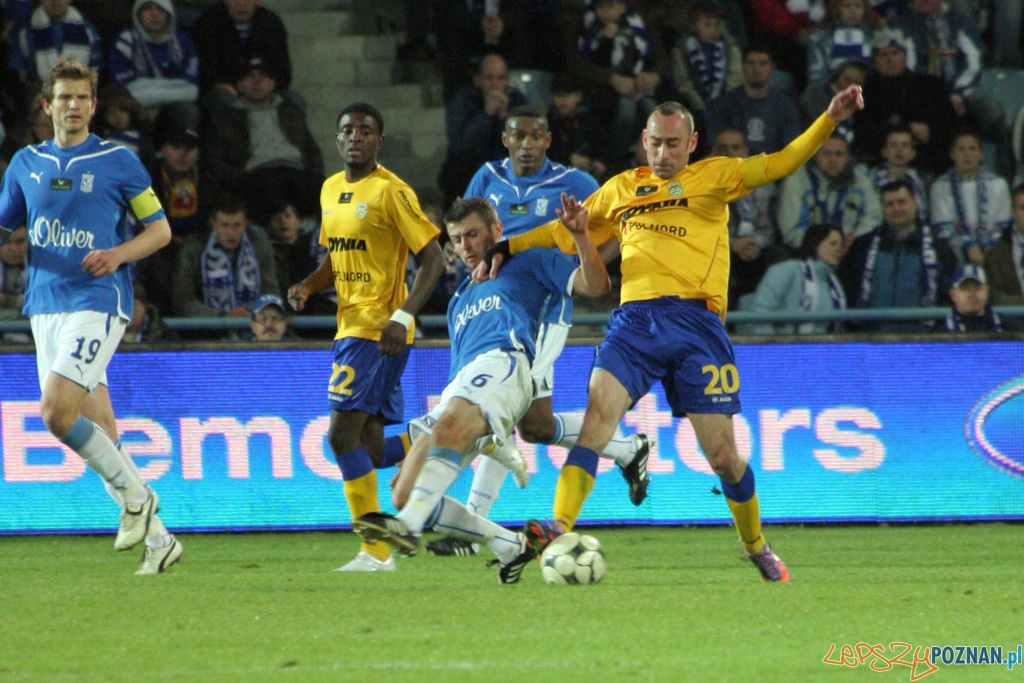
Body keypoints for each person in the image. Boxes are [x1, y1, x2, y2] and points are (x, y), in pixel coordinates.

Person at [480, 87, 867, 582]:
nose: (663, 154)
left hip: (697, 326)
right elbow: (560, 234)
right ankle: (558, 526)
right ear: (644, 140)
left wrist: (828, 119)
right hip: (634, 322)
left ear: (692, 143)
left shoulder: (715, 177)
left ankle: (756, 545)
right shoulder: (621, 189)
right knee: (598, 420)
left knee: (725, 459)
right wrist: (509, 247)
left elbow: (781, 162)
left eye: (673, 144)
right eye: (656, 143)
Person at [426, 106, 652, 558]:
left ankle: (473, 525)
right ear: (505, 139)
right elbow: (467, 228)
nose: (526, 144)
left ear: (548, 140)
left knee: (499, 409)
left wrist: (587, 261)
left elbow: (611, 223)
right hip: (497, 308)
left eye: (535, 136)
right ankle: (629, 449)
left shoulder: (576, 184)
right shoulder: (486, 178)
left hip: (544, 304)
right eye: (518, 136)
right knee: (535, 425)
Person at [352, 194, 612, 583]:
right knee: (404, 491)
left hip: (506, 363)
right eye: (456, 239)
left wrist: (581, 238)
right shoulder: (459, 300)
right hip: (465, 383)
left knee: (419, 489)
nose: (466, 246)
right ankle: (509, 545)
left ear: (497, 230)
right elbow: (462, 370)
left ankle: (407, 526)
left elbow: (596, 284)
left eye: (473, 235)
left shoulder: (530, 262)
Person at [0, 57, 181, 574]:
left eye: (82, 98)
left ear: (94, 106)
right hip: (44, 306)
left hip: (98, 301)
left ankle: (137, 500)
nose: (73, 106)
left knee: (56, 413)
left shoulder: (118, 161)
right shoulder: (24, 164)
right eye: (64, 97)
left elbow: (160, 231)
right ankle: (160, 539)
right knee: (99, 426)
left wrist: (119, 254)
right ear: (46, 105)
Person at [286, 102, 445, 573]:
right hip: (348, 325)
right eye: (347, 130)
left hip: (379, 330)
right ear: (336, 140)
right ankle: (436, 436)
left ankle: (374, 552)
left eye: (366, 130)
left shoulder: (391, 191)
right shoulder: (330, 189)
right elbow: (336, 257)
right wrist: (309, 286)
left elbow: (433, 258)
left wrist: (402, 315)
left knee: (340, 435)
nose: (355, 137)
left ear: (380, 140)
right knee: (371, 450)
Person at [202, 56, 324, 226]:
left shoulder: (290, 111)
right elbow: (215, 157)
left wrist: (315, 173)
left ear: (273, 83)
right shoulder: (226, 116)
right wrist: (236, 179)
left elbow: (311, 149)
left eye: (263, 77)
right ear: (240, 84)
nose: (256, 82)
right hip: (257, 174)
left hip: (296, 171)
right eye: (250, 76)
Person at [839, 179, 958, 333]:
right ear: (882, 208)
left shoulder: (939, 248)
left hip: (922, 341)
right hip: (872, 340)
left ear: (915, 203)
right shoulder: (862, 246)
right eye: (889, 204)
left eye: (902, 202)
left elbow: (949, 295)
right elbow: (848, 292)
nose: (896, 208)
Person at [853, 27, 956, 175]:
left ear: (906, 57)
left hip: (932, 164)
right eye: (883, 55)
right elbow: (864, 138)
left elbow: (950, 126)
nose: (890, 59)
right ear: (874, 62)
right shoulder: (865, 94)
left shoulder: (932, 86)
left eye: (895, 53)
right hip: (884, 168)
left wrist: (930, 132)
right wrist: (907, 128)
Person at [438, 53, 526, 210]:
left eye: (500, 78)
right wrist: (486, 115)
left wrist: (504, 120)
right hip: (469, 179)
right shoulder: (462, 101)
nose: (495, 84)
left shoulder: (518, 102)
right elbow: (459, 146)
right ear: (477, 79)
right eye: (489, 78)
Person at [172, 193, 281, 319]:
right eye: (224, 225)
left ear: (245, 224)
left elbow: (272, 293)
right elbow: (183, 301)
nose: (230, 233)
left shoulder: (260, 247)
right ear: (214, 224)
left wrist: (254, 313)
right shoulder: (193, 249)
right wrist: (223, 317)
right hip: (206, 331)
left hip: (255, 324)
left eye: (236, 225)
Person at [711, 127, 782, 308]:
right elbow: (701, 230)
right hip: (720, 248)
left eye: (735, 148)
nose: (729, 154)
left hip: (756, 248)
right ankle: (722, 322)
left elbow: (769, 228)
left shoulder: (762, 180)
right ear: (714, 152)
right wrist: (733, 243)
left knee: (779, 256)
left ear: (745, 151)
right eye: (723, 148)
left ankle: (766, 320)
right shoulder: (699, 181)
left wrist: (756, 242)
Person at [777, 132, 881, 250]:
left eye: (839, 154)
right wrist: (824, 245)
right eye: (827, 154)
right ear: (815, 155)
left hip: (851, 251)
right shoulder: (796, 181)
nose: (833, 160)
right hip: (806, 252)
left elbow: (874, 217)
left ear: (848, 157)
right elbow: (791, 231)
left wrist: (856, 237)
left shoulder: (862, 183)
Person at [745, 223, 846, 334]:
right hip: (783, 348)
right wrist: (772, 348)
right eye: (833, 244)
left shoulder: (834, 283)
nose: (838, 249)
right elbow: (760, 313)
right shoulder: (787, 270)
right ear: (815, 243)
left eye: (840, 246)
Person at [929, 131, 1011, 266]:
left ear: (981, 154)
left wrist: (989, 247)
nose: (967, 154)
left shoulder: (998, 184)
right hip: (954, 257)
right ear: (952, 154)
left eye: (972, 149)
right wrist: (968, 246)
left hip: (992, 255)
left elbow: (1003, 226)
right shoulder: (939, 186)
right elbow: (942, 228)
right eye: (961, 149)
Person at [705, 44, 802, 157]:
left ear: (772, 67)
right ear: (743, 66)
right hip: (733, 163)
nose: (756, 69)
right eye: (751, 63)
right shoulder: (724, 103)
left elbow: (791, 147)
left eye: (762, 64)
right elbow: (714, 143)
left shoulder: (786, 106)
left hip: (772, 167)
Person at [191, 0, 290, 99]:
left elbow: (282, 69)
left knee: (293, 99)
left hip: (265, 89)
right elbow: (205, 70)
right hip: (225, 89)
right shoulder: (208, 22)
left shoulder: (271, 23)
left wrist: (265, 84)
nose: (241, 4)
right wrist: (235, 86)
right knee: (223, 99)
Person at [109, 0, 199, 109]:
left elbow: (191, 86)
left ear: (168, 14)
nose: (154, 14)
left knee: (189, 107)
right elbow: (123, 87)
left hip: (174, 106)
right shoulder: (125, 41)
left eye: (160, 9)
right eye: (148, 8)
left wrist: (150, 92)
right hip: (136, 106)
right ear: (139, 14)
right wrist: (170, 88)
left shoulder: (183, 40)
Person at [669, 0, 743, 115]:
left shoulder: (731, 48)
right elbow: (684, 83)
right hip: (694, 108)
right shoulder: (681, 51)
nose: (713, 29)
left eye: (717, 24)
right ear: (693, 26)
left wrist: (725, 103)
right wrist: (700, 107)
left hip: (727, 105)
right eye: (707, 24)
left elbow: (735, 77)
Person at [8, 0, 102, 84]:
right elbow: (15, 75)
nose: (55, 1)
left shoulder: (88, 31)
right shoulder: (24, 33)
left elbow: (96, 72)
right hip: (37, 96)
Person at [805, 0, 875, 88]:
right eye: (847, 6)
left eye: (858, 6)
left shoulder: (874, 37)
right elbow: (817, 77)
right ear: (837, 9)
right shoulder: (820, 39)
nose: (853, 11)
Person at [868, 126, 929, 222]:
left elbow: (923, 215)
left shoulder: (921, 181)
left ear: (913, 153)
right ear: (884, 152)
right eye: (893, 145)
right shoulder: (870, 180)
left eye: (904, 145)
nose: (899, 150)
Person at [984, 183, 1024, 306]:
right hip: (1013, 322)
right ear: (1013, 212)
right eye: (1023, 207)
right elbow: (995, 297)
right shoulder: (996, 253)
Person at [939, 263, 1004, 332]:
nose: (972, 294)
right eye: (964, 289)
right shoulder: (939, 335)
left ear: (987, 291)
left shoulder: (1007, 327)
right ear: (953, 295)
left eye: (977, 288)